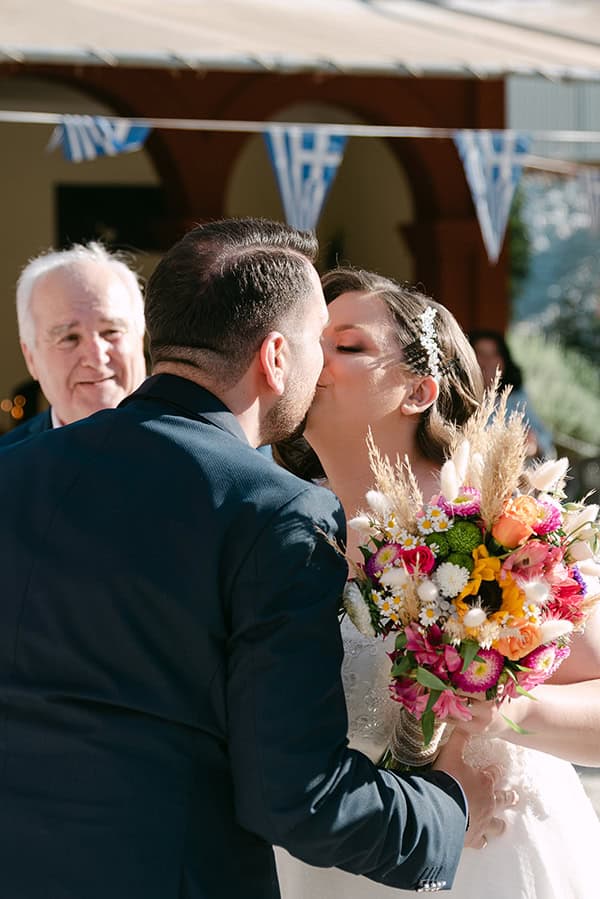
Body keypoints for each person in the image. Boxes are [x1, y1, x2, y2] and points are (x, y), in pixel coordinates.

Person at [0, 220, 505, 899]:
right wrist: (446, 809)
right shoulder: (275, 511)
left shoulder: (14, 473)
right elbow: (297, 795)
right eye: (316, 341)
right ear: (275, 357)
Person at [274, 267, 600, 899]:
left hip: (487, 858)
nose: (314, 360)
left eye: (347, 345)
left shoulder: (498, 527)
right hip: (335, 862)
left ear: (418, 390)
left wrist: (511, 710)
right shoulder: (282, 529)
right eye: (312, 341)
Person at [0, 241, 147, 446]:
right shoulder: (9, 462)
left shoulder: (191, 447)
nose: (96, 358)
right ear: (30, 357)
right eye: (70, 338)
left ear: (141, 337)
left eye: (111, 332)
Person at [469, 329, 554, 460]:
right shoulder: (460, 397)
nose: (488, 360)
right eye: (481, 353)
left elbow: (546, 441)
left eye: (494, 354)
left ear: (504, 360)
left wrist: (534, 446)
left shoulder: (516, 398)